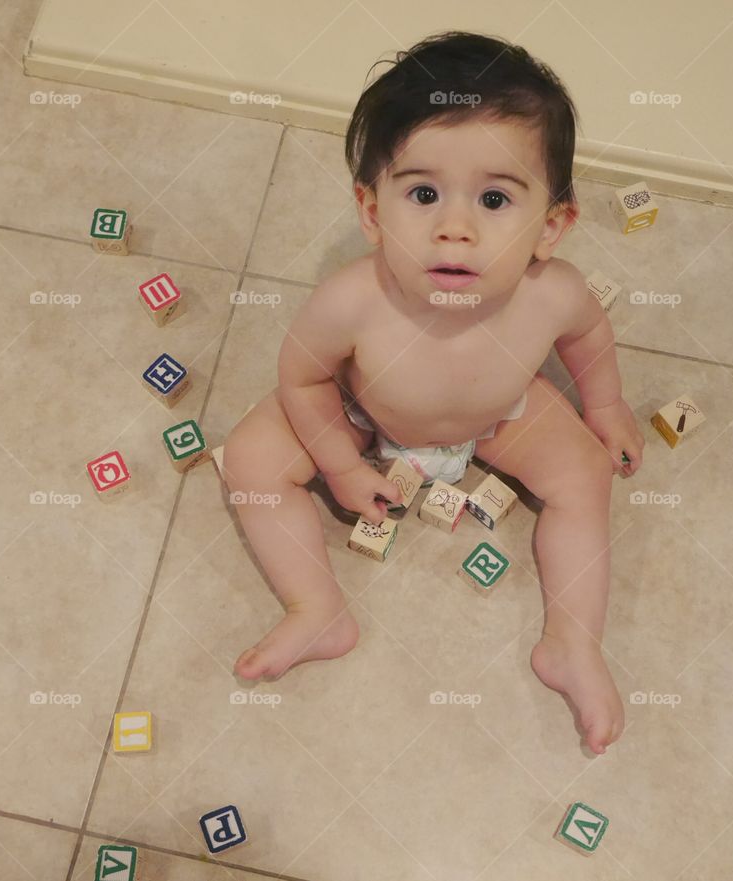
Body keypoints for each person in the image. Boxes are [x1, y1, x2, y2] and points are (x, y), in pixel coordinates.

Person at [223, 30, 645, 755]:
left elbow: (588, 338)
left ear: (551, 226)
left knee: (585, 474)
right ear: (372, 211)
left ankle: (573, 642)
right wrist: (340, 464)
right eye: (423, 194)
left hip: (498, 415)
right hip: (360, 409)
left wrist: (603, 406)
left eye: (494, 199)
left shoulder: (552, 294)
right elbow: (304, 376)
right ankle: (316, 608)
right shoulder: (352, 300)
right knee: (249, 460)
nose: (455, 229)